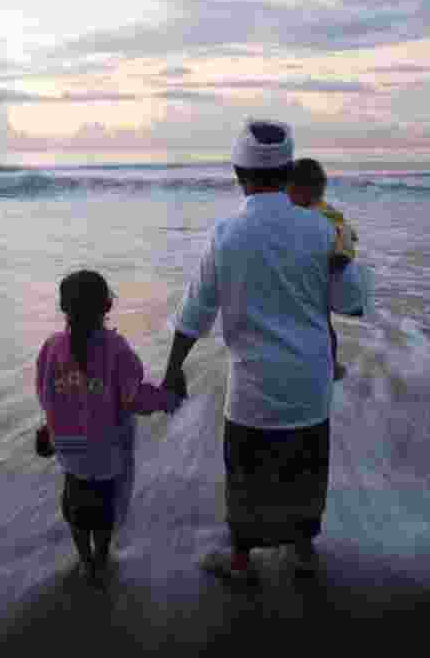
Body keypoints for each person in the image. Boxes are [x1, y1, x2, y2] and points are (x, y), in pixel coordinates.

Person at [160, 119, 374, 582]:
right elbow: (353, 303)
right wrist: (344, 258)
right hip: (310, 385)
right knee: (305, 469)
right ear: (288, 170)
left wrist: (173, 370)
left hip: (253, 390)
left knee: (247, 477)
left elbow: (195, 309)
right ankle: (301, 552)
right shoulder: (321, 230)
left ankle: (240, 563)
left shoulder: (226, 235)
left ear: (239, 172)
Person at [35, 269, 181, 587]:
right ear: (107, 307)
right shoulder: (116, 350)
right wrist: (168, 399)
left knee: (74, 507)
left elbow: (46, 394)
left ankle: (85, 562)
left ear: (64, 308)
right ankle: (101, 561)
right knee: (103, 514)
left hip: (69, 453)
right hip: (107, 455)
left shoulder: (51, 348)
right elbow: (134, 397)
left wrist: (48, 429)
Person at [287, 158, 360, 381]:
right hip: (325, 271)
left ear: (302, 190)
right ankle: (330, 366)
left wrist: (341, 255)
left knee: (318, 324)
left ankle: (327, 366)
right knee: (322, 323)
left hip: (327, 269)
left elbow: (345, 235)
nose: (286, 195)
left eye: (289, 189)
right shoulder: (324, 210)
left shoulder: (314, 213)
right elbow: (350, 232)